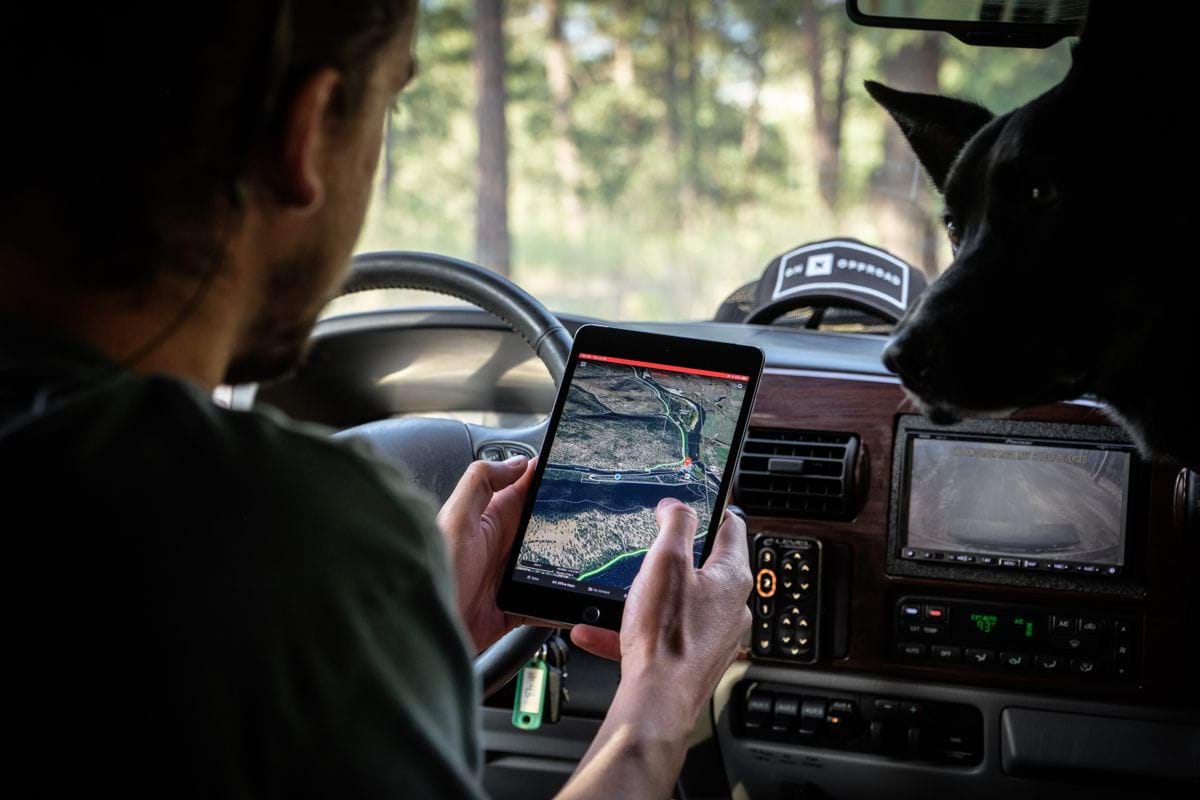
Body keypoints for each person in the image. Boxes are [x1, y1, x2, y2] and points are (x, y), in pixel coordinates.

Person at [0, 2, 752, 798]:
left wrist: (408, 638)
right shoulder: (292, 537)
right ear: (308, 128)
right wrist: (659, 706)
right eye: (390, 104)